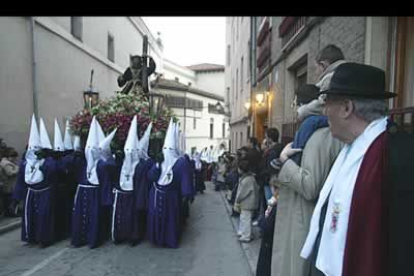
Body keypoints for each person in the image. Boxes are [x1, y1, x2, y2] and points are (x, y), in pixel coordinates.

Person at [301, 63, 410, 276]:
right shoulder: (349, 150)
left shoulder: (399, 155)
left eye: (328, 104)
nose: (324, 112)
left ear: (347, 108)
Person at [270, 83, 344, 276]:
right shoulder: (315, 129)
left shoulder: (320, 135)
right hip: (300, 217)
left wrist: (285, 162)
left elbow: (310, 187)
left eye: (294, 103)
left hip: (303, 220)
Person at [146, 119, 194, 248]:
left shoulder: (180, 163)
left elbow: (184, 179)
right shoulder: (160, 162)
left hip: (171, 197)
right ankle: (157, 239)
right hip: (156, 194)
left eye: (169, 148)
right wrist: (156, 164)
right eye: (165, 148)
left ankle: (169, 240)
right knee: (156, 216)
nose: (167, 150)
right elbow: (151, 177)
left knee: (170, 219)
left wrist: (186, 194)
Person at [12, 116, 59, 246]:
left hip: (44, 192)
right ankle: (31, 236)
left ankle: (44, 238)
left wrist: (46, 157)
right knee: (30, 215)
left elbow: (52, 171)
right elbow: (21, 181)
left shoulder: (47, 161)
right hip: (31, 193)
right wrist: (16, 198)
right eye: (31, 149)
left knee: (44, 216)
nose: (33, 152)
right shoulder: (24, 164)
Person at [233, 158, 259, 243]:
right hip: (248, 202)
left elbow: (243, 193)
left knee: (246, 219)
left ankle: (246, 235)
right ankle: (243, 232)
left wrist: (237, 200)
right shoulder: (249, 177)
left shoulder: (247, 180)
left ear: (241, 169)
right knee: (244, 218)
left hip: (248, 203)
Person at [256, 186, 279, 276]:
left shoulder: (275, 206)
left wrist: (262, 219)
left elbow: (266, 224)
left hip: (268, 243)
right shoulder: (274, 204)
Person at [0, 147, 19, 217]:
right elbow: (10, 173)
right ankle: (11, 213)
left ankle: (10, 212)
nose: (15, 159)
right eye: (14, 158)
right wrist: (17, 168)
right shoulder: (6, 164)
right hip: (8, 185)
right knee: (9, 200)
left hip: (7, 184)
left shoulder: (5, 162)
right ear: (10, 156)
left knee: (8, 200)